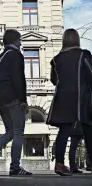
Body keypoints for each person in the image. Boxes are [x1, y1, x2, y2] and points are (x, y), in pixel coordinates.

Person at [0, 29, 32, 176]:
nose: (21, 43)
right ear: (15, 41)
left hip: (0, 98)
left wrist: (1, 90)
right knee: (18, 132)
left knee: (10, 131)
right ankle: (15, 167)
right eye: (20, 40)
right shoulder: (16, 55)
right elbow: (18, 78)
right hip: (13, 98)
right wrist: (23, 99)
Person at [46, 28, 92, 176]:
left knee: (64, 131)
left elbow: (54, 80)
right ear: (77, 39)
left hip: (62, 98)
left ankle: (59, 164)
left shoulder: (56, 59)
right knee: (88, 130)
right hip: (81, 97)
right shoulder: (83, 55)